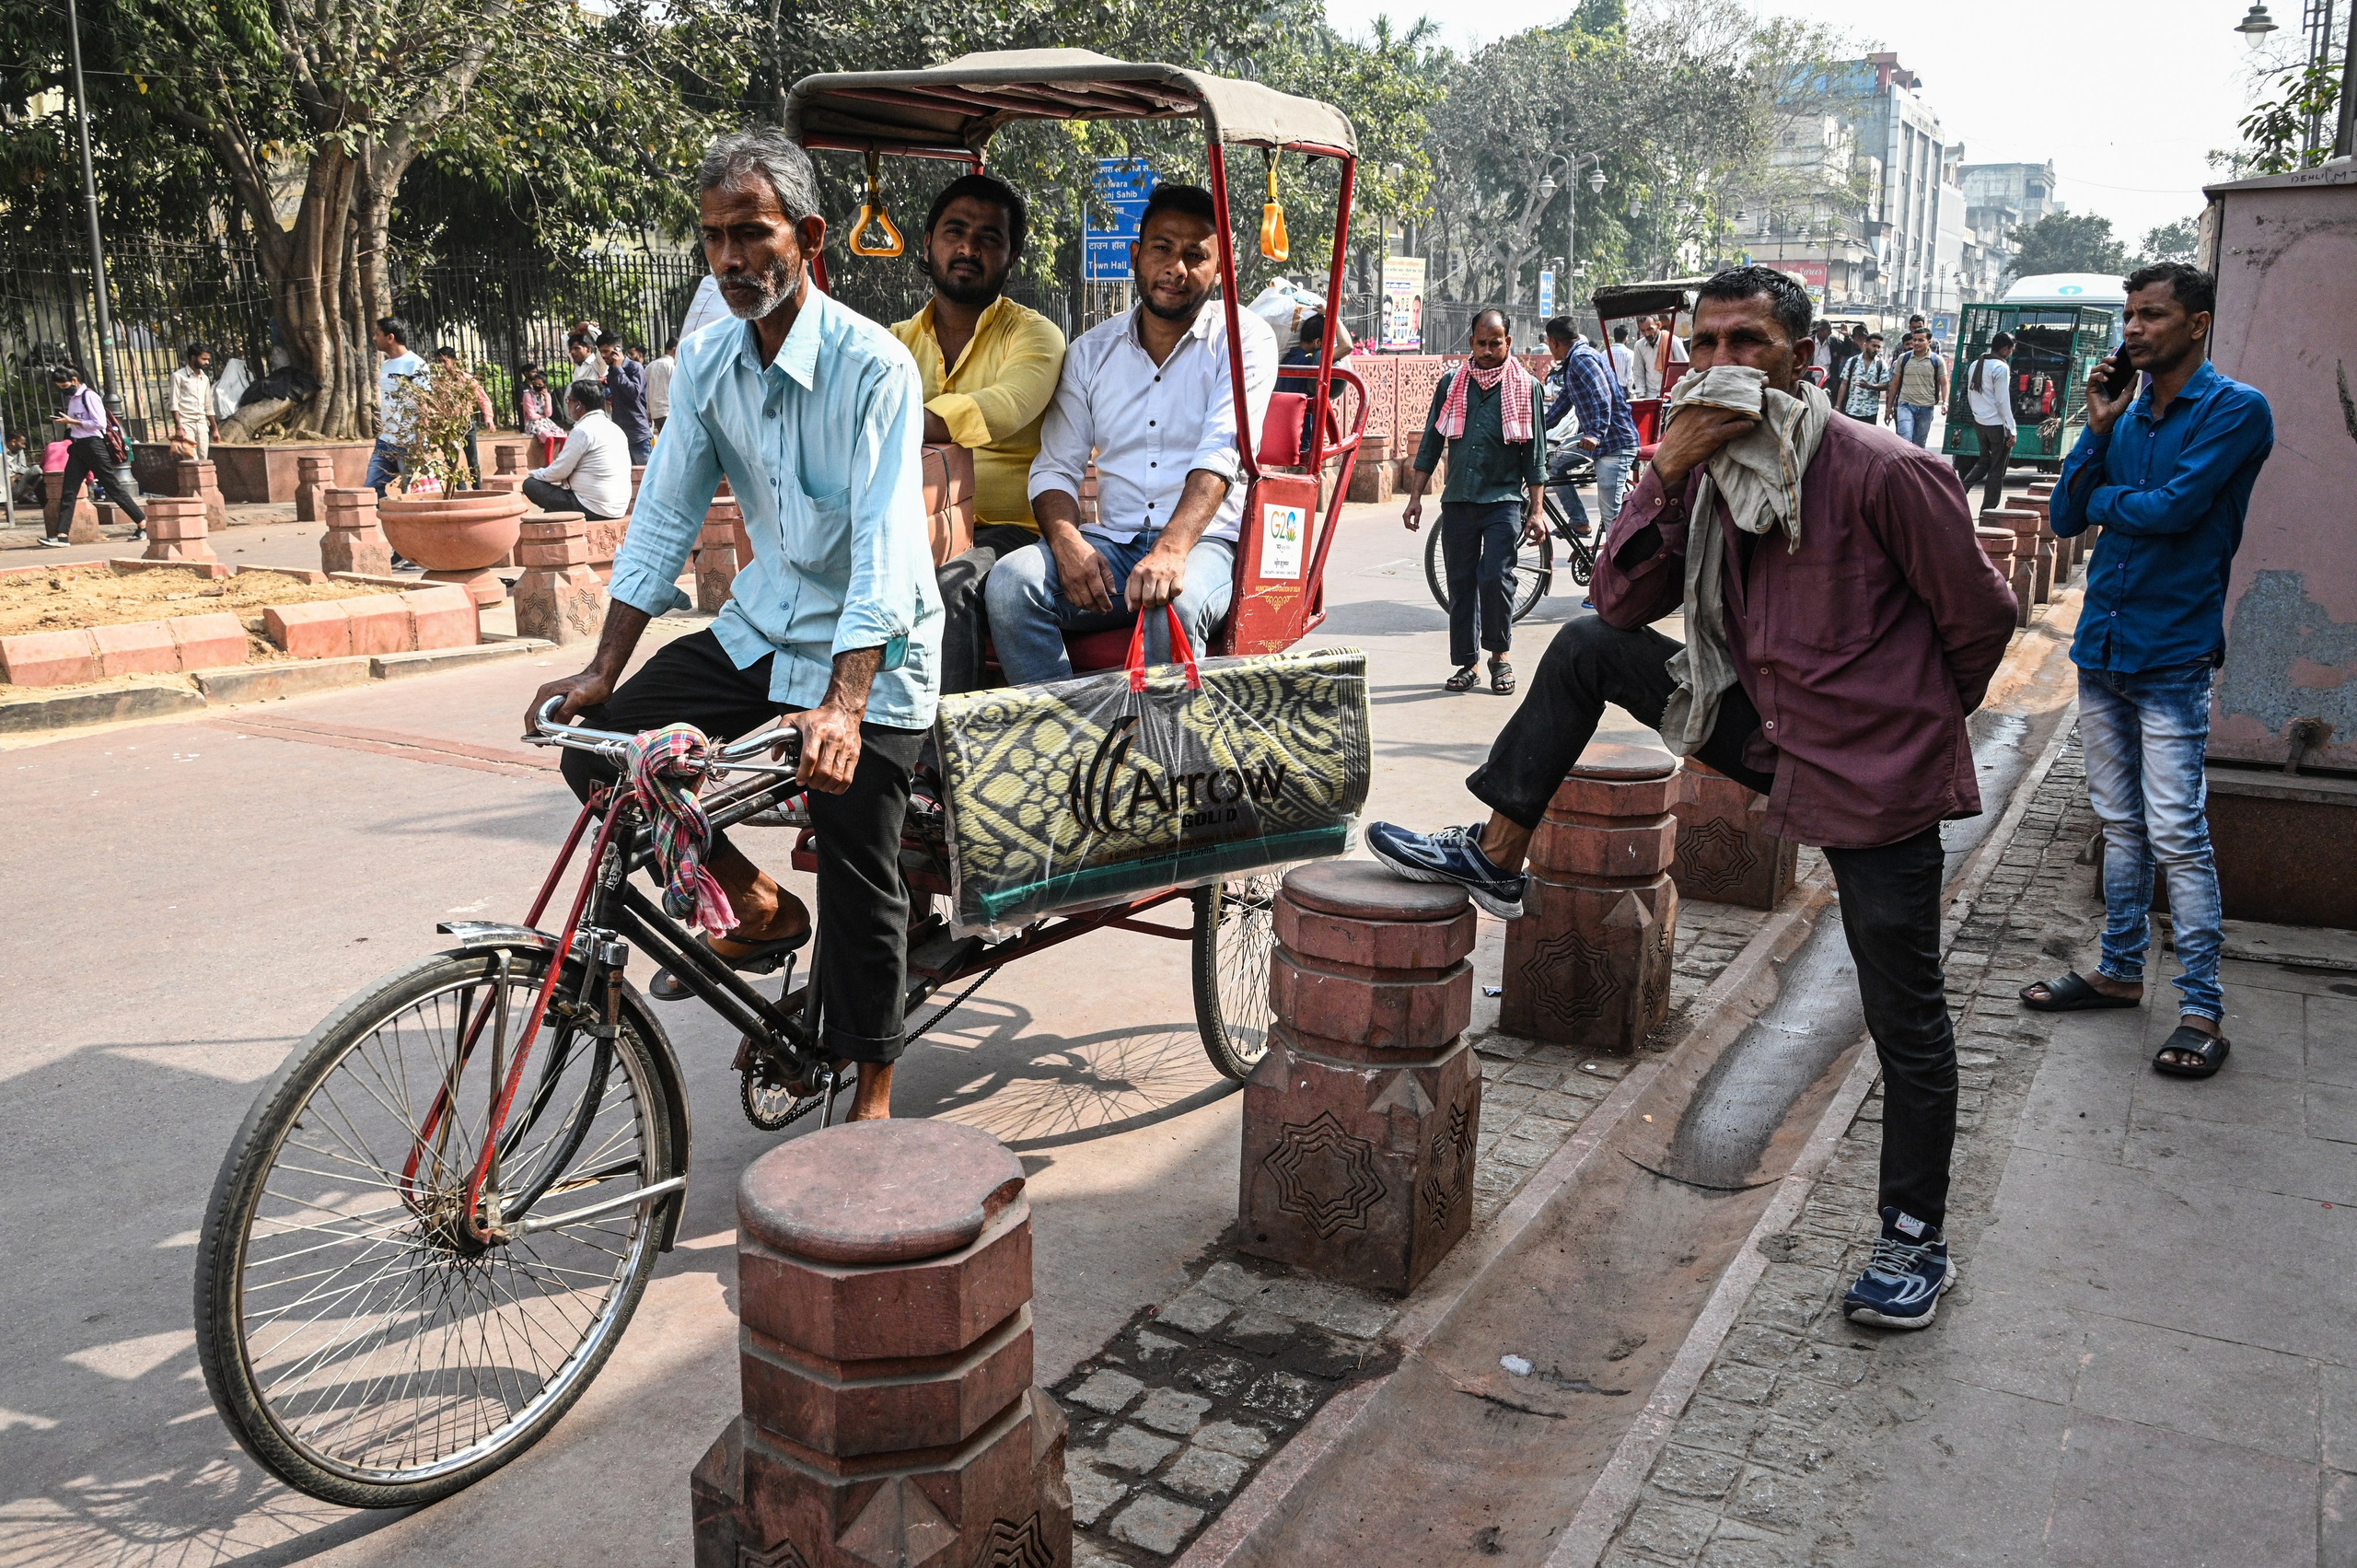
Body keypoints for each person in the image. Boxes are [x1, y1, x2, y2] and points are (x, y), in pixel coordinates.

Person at [1365, 265, 2016, 1330]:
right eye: (1705, 344)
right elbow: (1619, 598)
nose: (1720, 365)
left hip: (1870, 771)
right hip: (1756, 721)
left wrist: (1901, 725)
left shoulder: (1886, 471)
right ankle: (1497, 850)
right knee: (1585, 647)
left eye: (1748, 344)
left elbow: (1978, 622)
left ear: (1802, 362)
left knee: (1903, 1009)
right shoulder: (1709, 475)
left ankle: (1913, 1234)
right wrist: (1663, 471)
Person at [529, 128, 937, 1123]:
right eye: (714, 239)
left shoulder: (873, 365)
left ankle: (873, 1095)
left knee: (855, 845)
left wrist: (844, 707)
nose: (730, 259)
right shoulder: (708, 359)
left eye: (751, 234)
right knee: (600, 754)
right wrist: (601, 666)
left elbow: (885, 547)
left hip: (871, 653)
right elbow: (664, 516)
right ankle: (754, 905)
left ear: (805, 236)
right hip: (762, 629)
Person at [2024, 262, 2275, 1080]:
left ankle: (2203, 1008)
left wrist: (2109, 500)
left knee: (2177, 833)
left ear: (2196, 324)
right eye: (2129, 316)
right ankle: (2119, 970)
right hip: (2101, 650)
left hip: (2172, 656)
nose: (2132, 329)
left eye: (2152, 316)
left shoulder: (2236, 411)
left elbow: (2173, 512)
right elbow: (2065, 515)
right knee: (2121, 826)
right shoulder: (2123, 416)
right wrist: (2095, 433)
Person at [987, 183, 1274, 683]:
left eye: (1195, 256)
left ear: (1220, 268)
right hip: (1114, 544)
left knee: (1171, 605)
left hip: (1206, 543)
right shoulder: (1090, 352)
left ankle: (1166, 758)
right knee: (1012, 584)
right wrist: (1067, 541)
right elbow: (1056, 466)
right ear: (1137, 255)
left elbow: (1220, 453)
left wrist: (1171, 549)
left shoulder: (1245, 338)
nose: (1176, 269)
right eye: (1162, 249)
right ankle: (1067, 742)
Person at [888, 172, 1067, 696]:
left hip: (1010, 530)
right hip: (908, 523)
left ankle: (942, 764)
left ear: (1011, 257)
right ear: (928, 243)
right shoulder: (893, 342)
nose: (968, 248)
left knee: (949, 585)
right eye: (955, 231)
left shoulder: (1035, 335)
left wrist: (893, 416)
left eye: (989, 238)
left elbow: (1005, 407)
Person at [1399, 308, 1544, 696]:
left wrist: (1538, 509)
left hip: (1504, 501)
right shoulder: (1452, 384)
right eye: (1481, 343)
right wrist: (1415, 496)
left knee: (1495, 576)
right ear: (1471, 343)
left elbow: (1535, 455)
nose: (1487, 350)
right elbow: (1430, 442)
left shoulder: (1526, 387)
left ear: (1508, 343)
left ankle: (1500, 657)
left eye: (1495, 343)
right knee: (1461, 583)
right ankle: (1468, 663)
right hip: (1459, 501)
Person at [1543, 312, 1640, 539]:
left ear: (1554, 342)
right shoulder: (1573, 361)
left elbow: (1601, 394)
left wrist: (1596, 433)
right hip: (1598, 443)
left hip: (1614, 444)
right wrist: (1535, 429)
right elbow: (1562, 404)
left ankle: (1618, 571)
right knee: (1554, 464)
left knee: (1611, 519)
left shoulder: (1581, 358)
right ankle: (1578, 521)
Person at [43, 366, 145, 544]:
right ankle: (62, 536)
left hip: (94, 446)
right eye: (60, 387)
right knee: (69, 490)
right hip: (78, 447)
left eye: (65, 385)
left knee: (112, 487)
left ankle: (143, 524)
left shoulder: (89, 396)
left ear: (75, 380)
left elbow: (99, 423)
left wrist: (71, 421)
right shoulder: (73, 399)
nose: (64, 389)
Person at [523, 379, 632, 519]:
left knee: (531, 485)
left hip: (591, 507)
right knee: (552, 501)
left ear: (579, 406)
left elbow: (558, 472)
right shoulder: (615, 428)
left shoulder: (583, 431)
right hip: (618, 508)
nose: (567, 404)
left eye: (569, 400)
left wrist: (532, 474)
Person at [1956, 331, 2017, 513]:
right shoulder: (2001, 367)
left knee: (1984, 462)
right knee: (1997, 469)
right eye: (2011, 350)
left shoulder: (1976, 364)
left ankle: (1958, 492)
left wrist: (1978, 414)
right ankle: (1988, 511)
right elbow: (2002, 401)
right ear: (2005, 349)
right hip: (1997, 425)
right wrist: (2012, 428)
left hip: (1980, 422)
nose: (2011, 353)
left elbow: (1970, 393)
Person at [366, 317, 425, 495]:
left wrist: (420, 441)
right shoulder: (386, 365)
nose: (374, 338)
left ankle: (407, 523)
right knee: (371, 487)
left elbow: (425, 405)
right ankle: (389, 521)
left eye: (378, 334)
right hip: (386, 440)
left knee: (412, 493)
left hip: (410, 441)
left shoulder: (415, 364)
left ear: (390, 337)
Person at [432, 346, 496, 488]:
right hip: (447, 426)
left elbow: (483, 399)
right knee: (451, 460)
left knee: (472, 460)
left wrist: (489, 418)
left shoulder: (466, 379)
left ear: (454, 360)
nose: (442, 365)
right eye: (439, 361)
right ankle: (462, 490)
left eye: (445, 361)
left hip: (466, 424)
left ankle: (478, 491)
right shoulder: (438, 382)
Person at [598, 331, 654, 465]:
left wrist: (619, 370)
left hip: (637, 434)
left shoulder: (634, 367)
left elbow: (633, 393)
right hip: (620, 434)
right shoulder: (612, 371)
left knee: (644, 476)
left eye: (606, 351)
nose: (603, 355)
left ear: (618, 349)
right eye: (601, 352)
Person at [1885, 328, 1945, 447]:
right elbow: (1894, 384)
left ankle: (1916, 466)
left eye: (1921, 340)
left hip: (1926, 408)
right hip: (1905, 406)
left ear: (1929, 342)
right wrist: (1889, 407)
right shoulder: (1903, 359)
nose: (1916, 343)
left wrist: (1945, 402)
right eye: (1915, 340)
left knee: (1919, 444)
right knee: (1904, 440)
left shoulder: (1937, 360)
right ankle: (1903, 466)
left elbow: (1944, 383)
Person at [169, 344, 219, 460]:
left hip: (202, 423)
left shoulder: (204, 378)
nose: (207, 362)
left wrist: (215, 429)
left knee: (203, 459)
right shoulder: (178, 376)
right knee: (191, 460)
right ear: (193, 358)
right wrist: (179, 427)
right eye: (204, 359)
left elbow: (208, 405)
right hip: (186, 423)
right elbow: (174, 403)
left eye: (208, 359)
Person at [1631, 313, 1689, 400]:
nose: (1647, 334)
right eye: (1643, 331)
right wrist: (1641, 395)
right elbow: (1638, 372)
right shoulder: (1639, 345)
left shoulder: (1673, 341)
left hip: (1672, 395)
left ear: (1659, 325)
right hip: (1650, 396)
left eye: (1650, 329)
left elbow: (1684, 369)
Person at [1835, 331, 1889, 423]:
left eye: (1878, 347)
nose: (1876, 349)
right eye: (1874, 346)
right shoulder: (1852, 361)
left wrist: (1869, 386)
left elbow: (1886, 385)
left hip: (1870, 412)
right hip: (1852, 409)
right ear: (1866, 345)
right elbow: (1844, 384)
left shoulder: (1881, 364)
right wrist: (1838, 405)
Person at [518, 365, 564, 464]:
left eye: (540, 385)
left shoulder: (547, 395)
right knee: (549, 438)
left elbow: (548, 413)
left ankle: (561, 462)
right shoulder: (527, 395)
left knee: (564, 437)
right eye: (536, 384)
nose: (538, 387)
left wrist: (546, 398)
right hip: (533, 423)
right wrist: (541, 416)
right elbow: (531, 415)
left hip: (546, 422)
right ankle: (549, 464)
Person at [646, 339, 678, 436]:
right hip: (670, 412)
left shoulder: (649, 366)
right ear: (675, 350)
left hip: (655, 413)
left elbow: (646, 390)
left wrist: (648, 411)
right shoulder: (672, 366)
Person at [1608, 324, 1636, 391]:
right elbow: (1630, 375)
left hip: (1608, 389)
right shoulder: (1629, 353)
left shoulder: (1604, 353)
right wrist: (1631, 391)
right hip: (1623, 390)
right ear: (1626, 338)